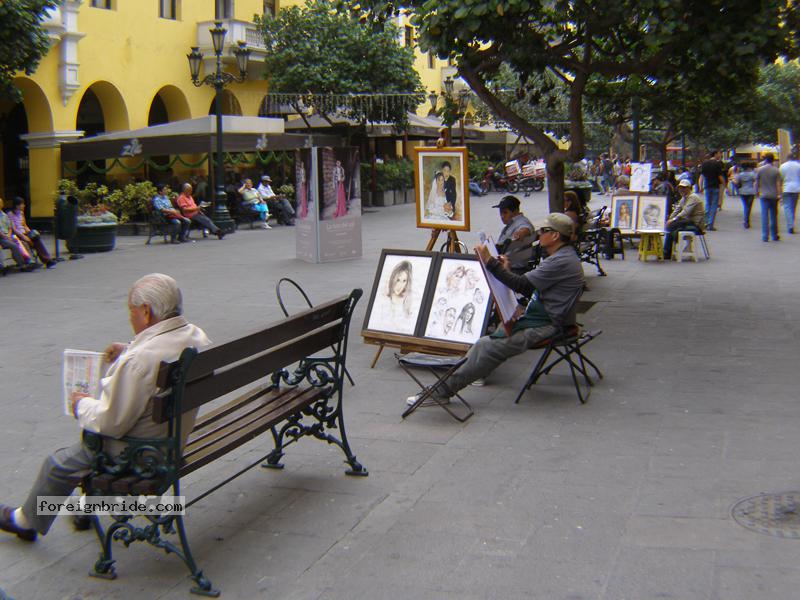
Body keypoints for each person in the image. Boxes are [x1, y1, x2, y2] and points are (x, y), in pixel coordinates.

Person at [0, 274, 210, 541]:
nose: (130, 318)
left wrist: (81, 405)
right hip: (174, 438)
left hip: (143, 451)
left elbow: (112, 422)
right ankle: (87, 507)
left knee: (59, 463)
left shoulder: (139, 360)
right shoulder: (195, 336)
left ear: (146, 311)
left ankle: (26, 521)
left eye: (131, 311)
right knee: (82, 452)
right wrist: (128, 350)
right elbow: (157, 357)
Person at [406, 213, 583, 406]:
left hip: (549, 324)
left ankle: (443, 391)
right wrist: (504, 269)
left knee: (487, 345)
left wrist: (489, 261)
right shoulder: (561, 256)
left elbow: (523, 285)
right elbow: (529, 285)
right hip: (545, 316)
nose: (539, 234)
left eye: (543, 231)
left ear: (555, 236)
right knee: (487, 340)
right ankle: (470, 373)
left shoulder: (560, 261)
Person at [663, 179, 706, 260]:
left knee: (673, 226)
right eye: (680, 188)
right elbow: (677, 210)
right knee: (671, 225)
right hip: (688, 221)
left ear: (689, 188)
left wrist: (673, 220)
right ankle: (667, 251)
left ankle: (666, 252)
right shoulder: (684, 198)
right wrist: (669, 219)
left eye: (684, 188)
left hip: (695, 224)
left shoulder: (693, 197)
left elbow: (686, 212)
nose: (681, 189)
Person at [7, 196, 56, 267]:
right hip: (17, 235)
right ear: (17, 205)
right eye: (22, 204)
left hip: (24, 232)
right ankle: (30, 262)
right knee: (26, 242)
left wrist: (30, 233)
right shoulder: (10, 214)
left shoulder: (21, 213)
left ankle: (48, 260)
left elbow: (24, 225)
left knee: (36, 238)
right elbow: (14, 229)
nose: (24, 205)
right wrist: (23, 236)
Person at [0, 197, 38, 271]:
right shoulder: (9, 214)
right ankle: (22, 265)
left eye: (1, 203)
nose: (0, 204)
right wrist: (5, 236)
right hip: (2, 237)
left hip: (8, 236)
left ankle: (28, 261)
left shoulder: (4, 215)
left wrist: (9, 235)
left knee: (21, 242)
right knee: (14, 245)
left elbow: (10, 227)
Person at [756, 153, 782, 242]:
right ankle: (774, 235)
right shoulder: (776, 170)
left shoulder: (760, 170)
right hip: (774, 195)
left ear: (765, 160)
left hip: (763, 195)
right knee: (773, 215)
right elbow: (778, 184)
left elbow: (757, 182)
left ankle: (765, 236)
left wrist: (756, 192)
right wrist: (780, 195)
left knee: (764, 215)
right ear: (773, 160)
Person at [699, 150, 724, 230]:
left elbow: (702, 176)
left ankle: (705, 222)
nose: (720, 155)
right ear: (715, 154)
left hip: (707, 186)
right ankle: (710, 224)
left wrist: (700, 186)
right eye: (719, 153)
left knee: (707, 204)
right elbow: (720, 176)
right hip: (715, 186)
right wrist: (724, 184)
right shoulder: (717, 164)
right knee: (713, 206)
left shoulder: (705, 163)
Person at [779, 150, 800, 234]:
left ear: (787, 158)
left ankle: (790, 225)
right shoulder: (798, 165)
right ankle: (791, 223)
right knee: (793, 207)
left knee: (787, 207)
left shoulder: (783, 166)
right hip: (796, 188)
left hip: (786, 188)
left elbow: (780, 179)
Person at [735, 161, 757, 229]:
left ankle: (746, 220)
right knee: (749, 207)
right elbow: (756, 181)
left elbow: (736, 183)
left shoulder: (740, 175)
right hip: (751, 191)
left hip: (742, 191)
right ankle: (746, 221)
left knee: (745, 206)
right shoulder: (752, 174)